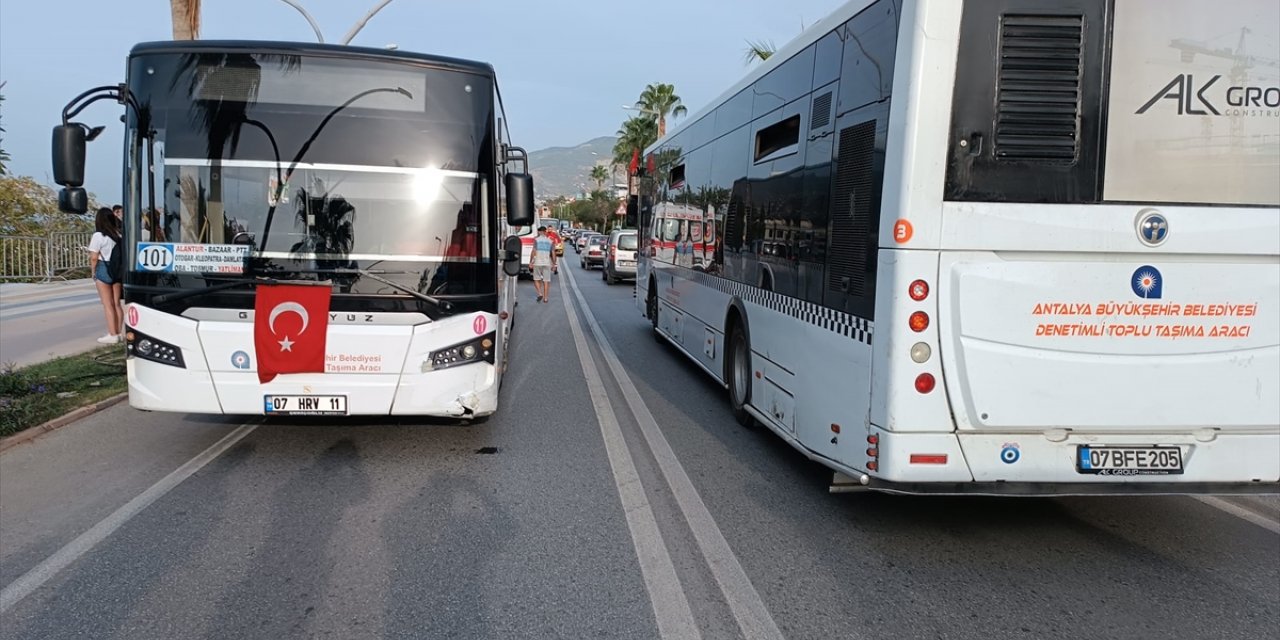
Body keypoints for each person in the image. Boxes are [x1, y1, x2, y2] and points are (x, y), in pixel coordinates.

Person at [88, 207, 124, 343]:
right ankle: (119, 332)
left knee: (107, 304)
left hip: (104, 268)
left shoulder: (98, 236)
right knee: (116, 304)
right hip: (117, 270)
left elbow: (94, 257)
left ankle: (112, 334)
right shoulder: (118, 234)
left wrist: (93, 272)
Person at [530, 225, 556, 303]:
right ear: (545, 232)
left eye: (539, 231)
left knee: (536, 279)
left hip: (537, 262)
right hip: (547, 263)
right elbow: (553, 253)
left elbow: (533, 251)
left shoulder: (536, 240)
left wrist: (531, 262)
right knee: (546, 281)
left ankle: (540, 293)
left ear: (540, 232)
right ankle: (545, 298)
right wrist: (554, 264)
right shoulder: (550, 241)